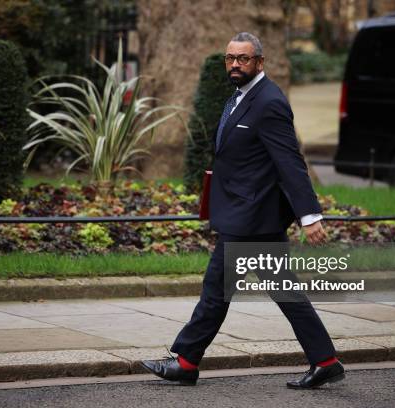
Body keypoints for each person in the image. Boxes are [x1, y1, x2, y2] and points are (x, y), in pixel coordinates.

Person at [141, 32, 345, 389]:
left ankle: (187, 361)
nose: (235, 64)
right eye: (230, 58)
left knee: (216, 289)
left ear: (260, 62)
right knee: (283, 292)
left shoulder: (269, 102)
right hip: (250, 213)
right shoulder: (240, 96)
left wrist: (310, 215)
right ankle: (325, 360)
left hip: (251, 217)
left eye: (244, 59)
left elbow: (290, 162)